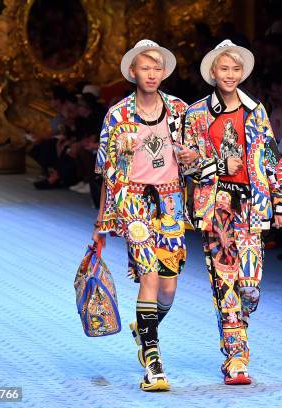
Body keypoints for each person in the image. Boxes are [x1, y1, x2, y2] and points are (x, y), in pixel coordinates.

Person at [180, 40, 282, 385]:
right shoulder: (197, 114)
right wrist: (218, 164)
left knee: (250, 287)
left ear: (242, 73)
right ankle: (236, 357)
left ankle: (238, 328)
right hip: (217, 208)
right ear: (212, 72)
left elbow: (271, 155)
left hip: (251, 204)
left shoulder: (254, 109)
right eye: (223, 69)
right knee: (225, 284)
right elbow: (186, 166)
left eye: (235, 69)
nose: (230, 75)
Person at [93, 40, 190, 392]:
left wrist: (192, 157)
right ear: (132, 72)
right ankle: (153, 362)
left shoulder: (180, 111)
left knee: (169, 287)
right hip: (133, 203)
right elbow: (106, 169)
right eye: (144, 68)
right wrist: (102, 223)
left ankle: (144, 327)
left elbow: (196, 155)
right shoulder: (117, 114)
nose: (151, 74)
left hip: (170, 204)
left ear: (163, 72)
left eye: (156, 68)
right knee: (149, 277)